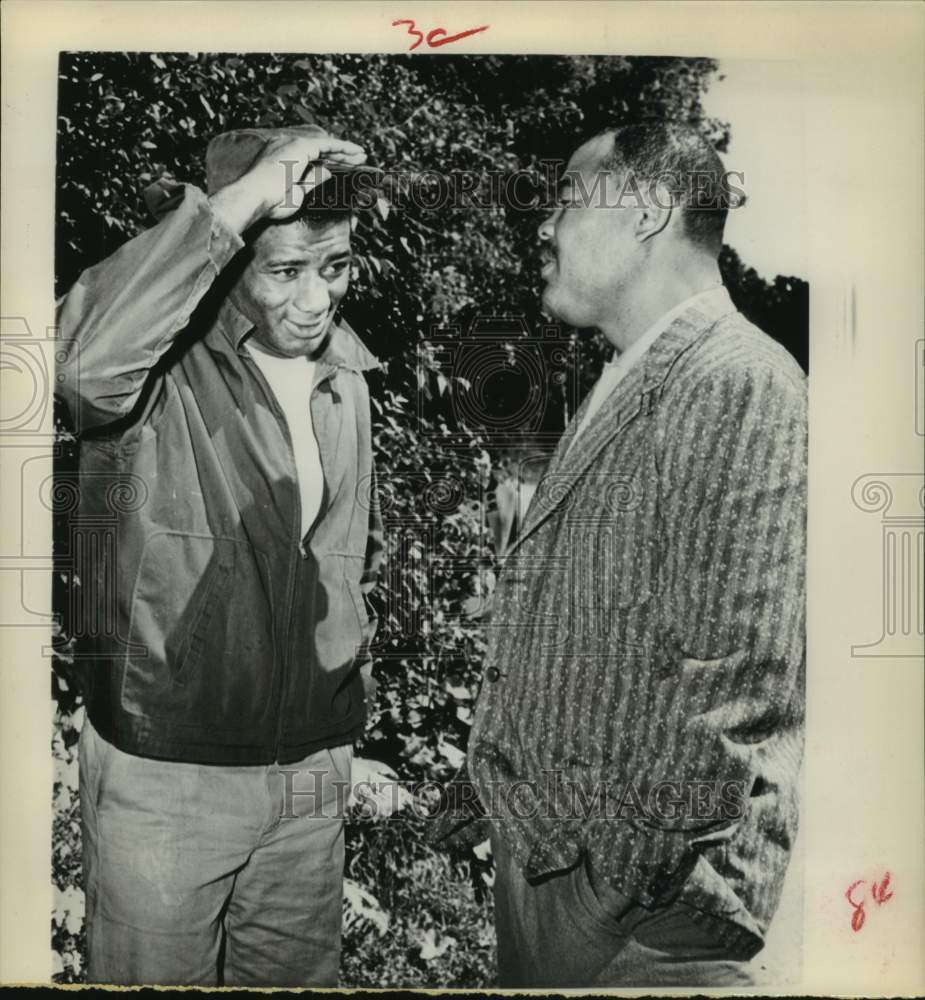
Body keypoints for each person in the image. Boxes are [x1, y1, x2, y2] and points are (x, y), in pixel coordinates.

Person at [440, 123, 807, 987]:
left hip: (643, 918)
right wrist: (500, 786)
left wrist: (614, 880)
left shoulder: (740, 382)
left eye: (566, 199)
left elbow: (739, 683)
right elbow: (600, 624)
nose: (544, 226)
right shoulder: (634, 374)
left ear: (643, 211)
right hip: (588, 891)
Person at [56, 125, 384, 987]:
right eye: (285, 271)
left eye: (337, 266)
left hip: (310, 776)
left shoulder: (345, 378)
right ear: (231, 260)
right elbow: (78, 367)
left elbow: (344, 564)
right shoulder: (155, 369)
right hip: (169, 774)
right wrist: (243, 200)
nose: (318, 299)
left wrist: (339, 727)